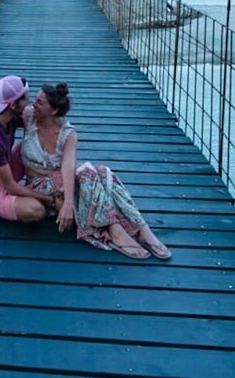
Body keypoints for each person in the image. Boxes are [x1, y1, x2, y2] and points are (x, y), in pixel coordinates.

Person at [19, 82, 171, 260]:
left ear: (53, 110)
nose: (33, 104)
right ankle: (116, 231)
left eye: (40, 102)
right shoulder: (29, 116)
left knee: (102, 171)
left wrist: (68, 202)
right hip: (38, 188)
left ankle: (142, 229)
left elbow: (68, 167)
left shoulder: (67, 134)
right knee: (88, 171)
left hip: (61, 184)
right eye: (35, 100)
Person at [0, 75, 54, 222]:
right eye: (25, 99)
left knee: (26, 144)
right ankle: (23, 195)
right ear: (13, 105)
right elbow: (12, 187)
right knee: (37, 210)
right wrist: (50, 200)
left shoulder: (6, 116)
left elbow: (35, 122)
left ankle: (34, 184)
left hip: (2, 172)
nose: (29, 103)